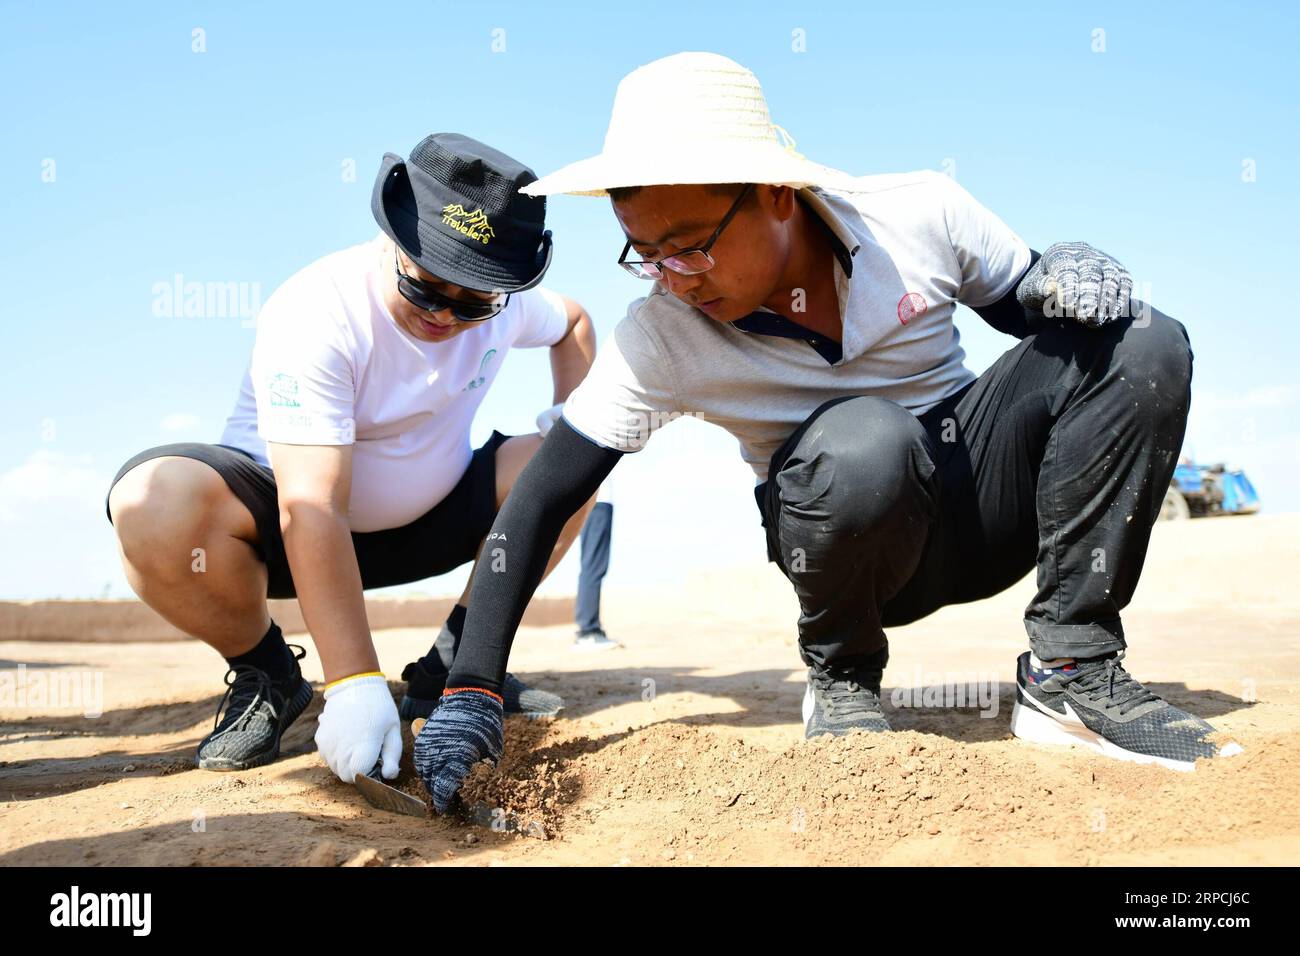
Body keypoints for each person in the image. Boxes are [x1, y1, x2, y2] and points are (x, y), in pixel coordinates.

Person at [412, 53, 1241, 813]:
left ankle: (1072, 668)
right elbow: (543, 497)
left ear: (777, 195)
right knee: (864, 440)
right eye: (646, 254)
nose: (675, 278)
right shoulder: (662, 337)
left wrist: (1060, 270)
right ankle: (842, 678)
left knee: (1140, 339)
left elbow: (1045, 318)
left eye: (691, 248)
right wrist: (471, 687)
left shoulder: (920, 216)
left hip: (989, 509)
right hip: (858, 544)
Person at [104, 134, 596, 786]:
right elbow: (313, 508)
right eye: (426, 290)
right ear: (392, 242)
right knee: (153, 502)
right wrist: (355, 682)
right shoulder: (318, 311)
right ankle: (270, 676)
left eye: (473, 302)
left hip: (431, 523)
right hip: (288, 537)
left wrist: (567, 412)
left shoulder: (502, 303)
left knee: (578, 455)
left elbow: (575, 323)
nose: (446, 316)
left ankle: (452, 664)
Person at [573, 480, 619, 650]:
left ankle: (589, 628)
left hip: (590, 498)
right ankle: (588, 631)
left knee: (592, 565)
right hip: (598, 500)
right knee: (594, 566)